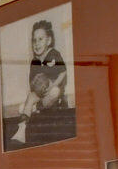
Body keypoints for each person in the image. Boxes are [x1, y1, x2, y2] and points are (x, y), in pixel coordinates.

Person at [8, 19, 75, 148]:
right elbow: (32, 84)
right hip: (40, 94)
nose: (37, 43)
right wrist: (37, 87)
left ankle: (35, 108)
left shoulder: (54, 54)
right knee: (31, 96)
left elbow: (63, 73)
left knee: (55, 92)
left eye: (40, 39)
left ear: (48, 41)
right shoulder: (34, 61)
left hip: (53, 94)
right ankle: (22, 129)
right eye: (34, 40)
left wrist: (53, 85)